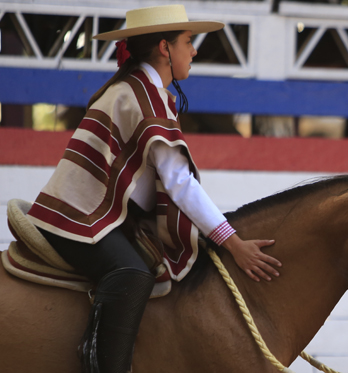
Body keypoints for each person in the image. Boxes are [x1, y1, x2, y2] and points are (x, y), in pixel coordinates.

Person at [25, 5, 282, 373]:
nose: (194, 51)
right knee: (133, 274)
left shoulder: (139, 88)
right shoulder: (142, 96)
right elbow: (179, 183)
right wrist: (233, 243)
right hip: (80, 217)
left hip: (96, 212)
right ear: (165, 47)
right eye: (188, 42)